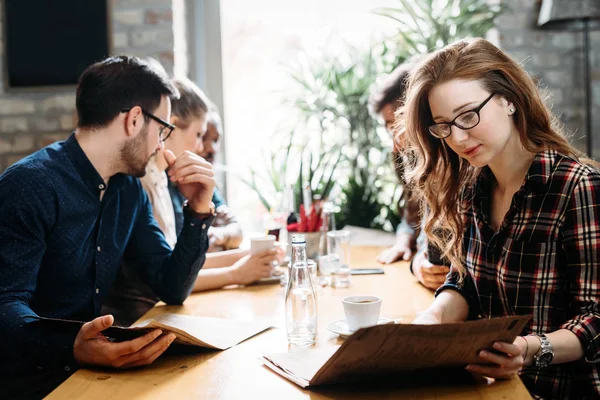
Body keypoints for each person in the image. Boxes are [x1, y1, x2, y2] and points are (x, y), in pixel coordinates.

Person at [0, 56, 216, 398]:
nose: (162, 145)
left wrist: (199, 210)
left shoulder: (128, 190)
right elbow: (5, 305)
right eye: (161, 130)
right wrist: (71, 346)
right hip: (28, 381)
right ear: (133, 120)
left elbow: (171, 286)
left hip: (93, 373)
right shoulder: (29, 185)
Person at [405, 38, 600, 399]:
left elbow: (595, 318)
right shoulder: (469, 186)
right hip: (489, 387)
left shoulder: (577, 187)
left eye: (468, 115)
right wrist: (433, 319)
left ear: (508, 98)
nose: (459, 137)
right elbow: (465, 283)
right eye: (443, 125)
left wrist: (528, 349)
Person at [102, 78, 280, 326]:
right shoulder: (140, 183)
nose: (200, 146)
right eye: (198, 134)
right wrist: (237, 272)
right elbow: (168, 279)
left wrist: (249, 255)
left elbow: (177, 265)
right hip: (140, 319)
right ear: (171, 126)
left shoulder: (161, 179)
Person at [368, 57, 450, 290]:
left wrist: (418, 264)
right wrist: (405, 241)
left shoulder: (459, 163)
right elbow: (412, 214)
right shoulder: (409, 158)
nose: (396, 138)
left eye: (400, 123)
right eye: (388, 126)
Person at [197, 108, 244, 252]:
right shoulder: (166, 185)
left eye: (216, 140)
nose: (212, 148)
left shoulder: (208, 185)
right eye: (203, 137)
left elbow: (237, 231)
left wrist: (219, 234)